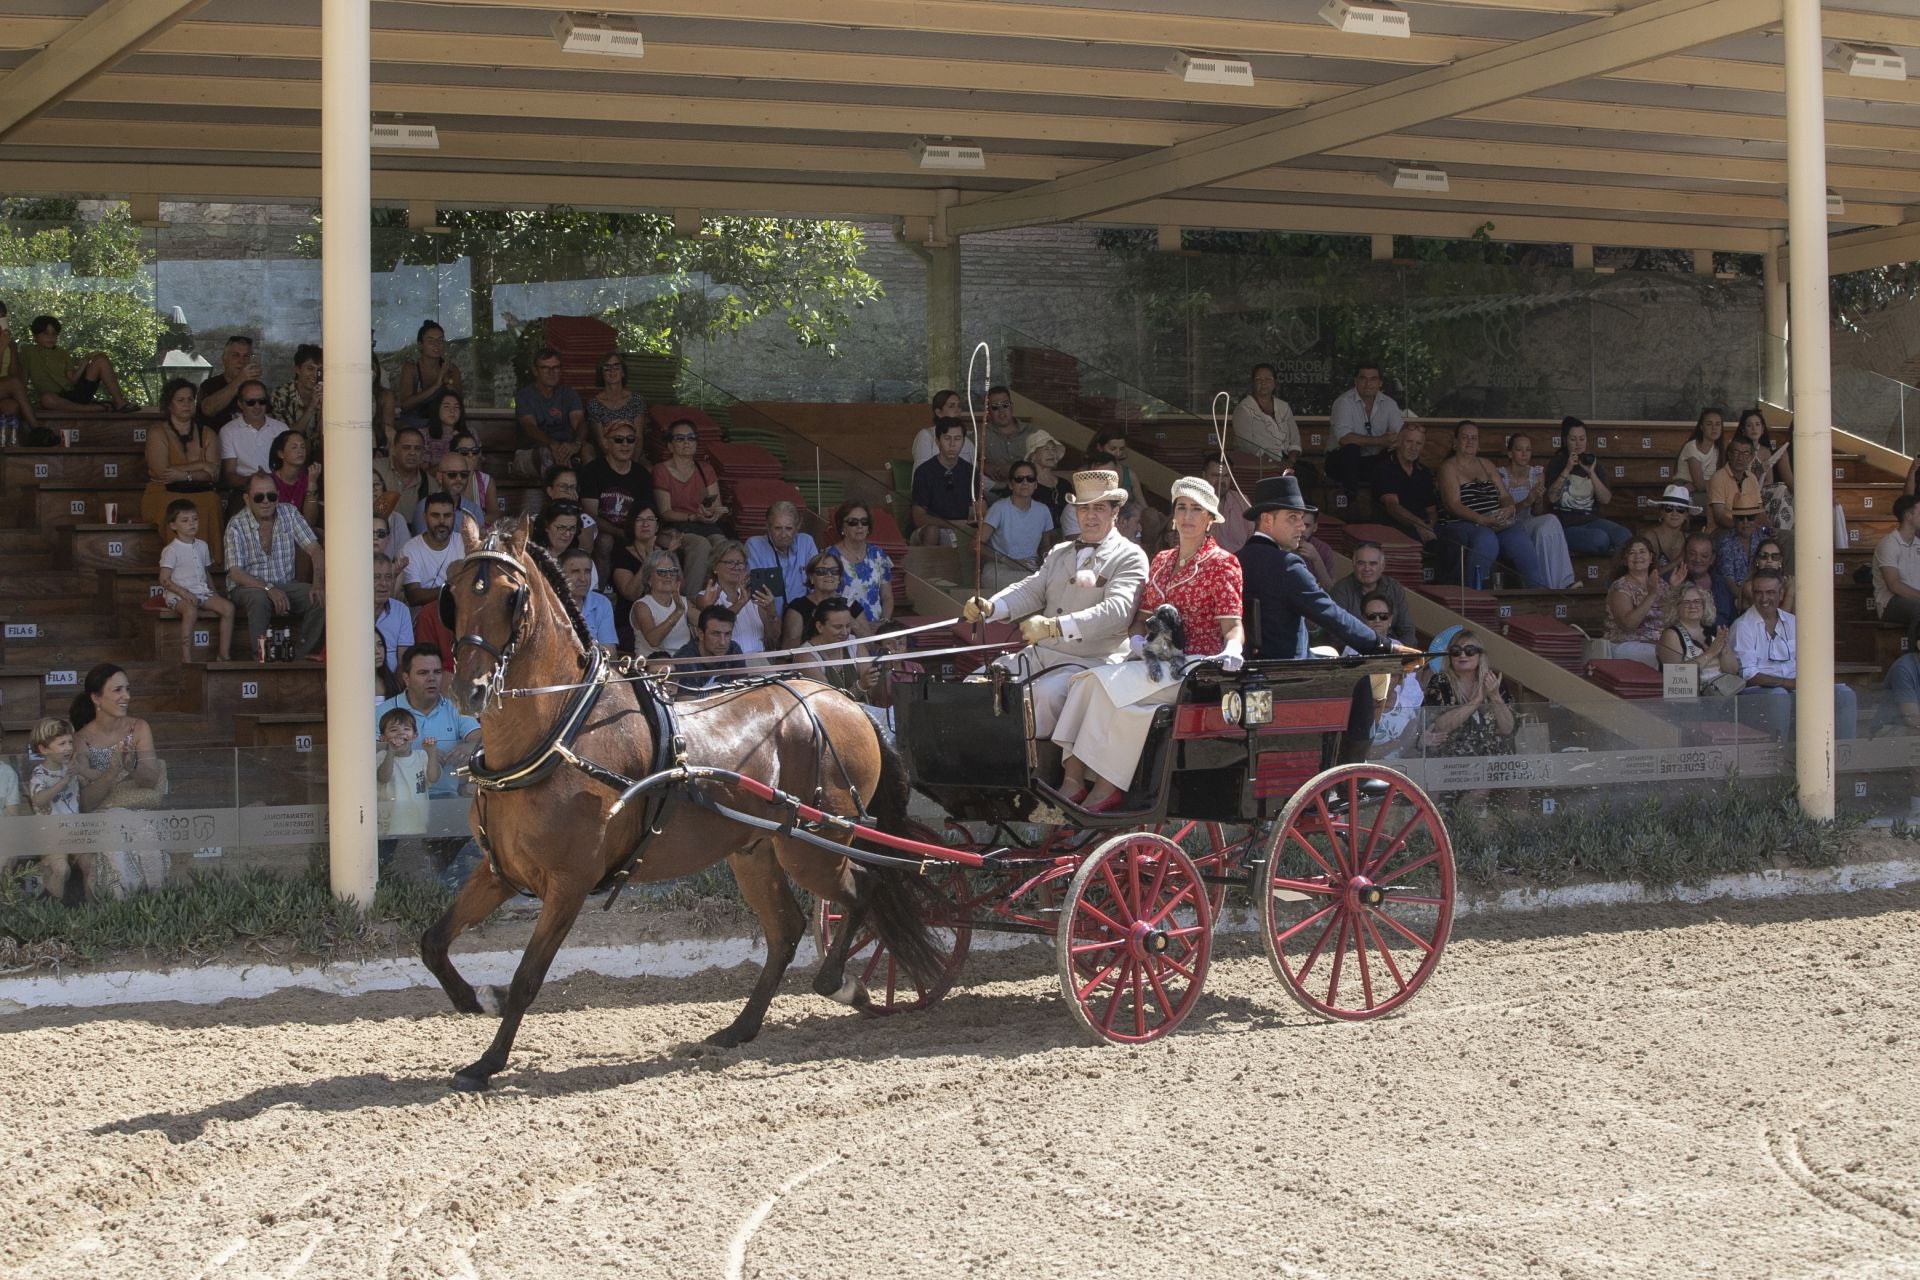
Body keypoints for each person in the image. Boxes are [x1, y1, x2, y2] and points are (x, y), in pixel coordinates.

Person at [1051, 478, 1244, 811]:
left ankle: (1105, 788)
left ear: (1209, 518)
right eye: (1181, 508)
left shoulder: (1222, 562)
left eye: (1196, 510)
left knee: (1100, 683)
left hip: (1195, 667)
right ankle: (1073, 781)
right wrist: (1137, 640)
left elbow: (1234, 627)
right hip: (1153, 660)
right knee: (1083, 684)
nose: (1187, 516)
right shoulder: (1162, 561)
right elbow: (1140, 618)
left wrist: (1232, 650)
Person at [961, 469, 1149, 739]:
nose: (1091, 515)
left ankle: (1033, 772)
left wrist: (1054, 627)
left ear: (1115, 512)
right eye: (1084, 508)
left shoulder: (1130, 556)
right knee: (974, 685)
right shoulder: (1060, 552)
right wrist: (991, 607)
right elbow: (1032, 589)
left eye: (1099, 508)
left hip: (1091, 662)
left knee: (1041, 697)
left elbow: (1117, 613)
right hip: (1040, 656)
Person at [1236, 475, 1400, 663]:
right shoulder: (1287, 564)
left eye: (1302, 519)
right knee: (1362, 682)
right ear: (1266, 520)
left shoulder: (1235, 559)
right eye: (1292, 518)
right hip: (1290, 673)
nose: (1301, 527)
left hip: (1244, 670)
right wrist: (1384, 645)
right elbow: (1331, 615)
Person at [1731, 571, 1858, 741]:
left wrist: (1807, 683)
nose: (1764, 599)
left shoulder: (1793, 622)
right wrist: (1790, 684)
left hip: (1797, 689)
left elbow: (1811, 663)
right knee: (1779, 695)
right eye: (1758, 592)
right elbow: (1748, 675)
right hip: (1760, 694)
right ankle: (1777, 756)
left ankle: (1844, 757)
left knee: (1844, 693)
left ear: (1781, 594)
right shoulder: (1743, 626)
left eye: (1770, 592)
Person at [1435, 420, 1550, 589]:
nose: (1470, 441)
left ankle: (1539, 595)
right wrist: (1480, 519)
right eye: (1465, 437)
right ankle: (1472, 596)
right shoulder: (1448, 467)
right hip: (1463, 523)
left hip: (1492, 521)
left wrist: (1509, 507)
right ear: (1455, 442)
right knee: (1486, 539)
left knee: (1520, 539)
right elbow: (1453, 505)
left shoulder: (1486, 464)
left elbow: (1504, 495)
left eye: (1474, 438)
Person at [224, 473, 326, 657]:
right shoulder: (236, 525)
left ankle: (302, 654)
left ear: (278, 496)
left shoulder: (289, 513)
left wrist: (318, 583)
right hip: (247, 586)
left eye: (271, 496)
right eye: (258, 497)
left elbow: (316, 550)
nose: (266, 501)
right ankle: (260, 654)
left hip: (286, 584)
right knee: (258, 598)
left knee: (320, 597)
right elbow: (236, 573)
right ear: (247, 499)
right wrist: (268, 588)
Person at [377, 645, 481, 804]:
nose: (432, 678)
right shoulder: (384, 711)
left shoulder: (455, 708)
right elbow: (369, 750)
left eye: (437, 672)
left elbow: (481, 739)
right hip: (399, 802)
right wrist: (422, 754)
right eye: (423, 673)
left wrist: (470, 746)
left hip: (448, 801)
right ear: (406, 679)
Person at [140, 376, 223, 546]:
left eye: (190, 399)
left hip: (200, 492)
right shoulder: (158, 432)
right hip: (164, 492)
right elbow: (163, 473)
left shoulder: (207, 433)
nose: (186, 404)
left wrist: (184, 475)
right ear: (169, 404)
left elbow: (213, 474)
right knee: (174, 508)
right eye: (180, 400)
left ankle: (209, 563)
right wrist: (201, 465)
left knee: (211, 501)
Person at [651, 416, 731, 590]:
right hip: (676, 526)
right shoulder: (661, 470)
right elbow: (665, 512)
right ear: (670, 445)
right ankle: (692, 599)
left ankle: (725, 597)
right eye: (680, 438)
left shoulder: (705, 469)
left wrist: (712, 514)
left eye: (691, 437)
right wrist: (693, 516)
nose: (686, 442)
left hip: (705, 525)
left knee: (723, 545)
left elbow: (716, 505)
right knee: (700, 545)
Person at [1494, 432, 1575, 589]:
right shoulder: (1499, 475)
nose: (1525, 454)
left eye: (1528, 450)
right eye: (1519, 449)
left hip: (1528, 522)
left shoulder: (1536, 474)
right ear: (1510, 453)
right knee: (1545, 526)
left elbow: (1538, 512)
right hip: (1508, 526)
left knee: (1550, 521)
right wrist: (1527, 501)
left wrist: (1537, 501)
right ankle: (1544, 585)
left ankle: (1563, 583)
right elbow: (1503, 513)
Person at [157, 499, 235, 662]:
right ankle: (187, 658)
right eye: (185, 521)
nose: (191, 524)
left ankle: (223, 654)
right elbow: (164, 579)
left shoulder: (202, 546)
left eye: (195, 519)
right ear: (173, 525)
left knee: (228, 608)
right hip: (177, 594)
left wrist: (214, 593)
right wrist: (184, 593)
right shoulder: (171, 550)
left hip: (200, 591)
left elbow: (205, 573)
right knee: (190, 611)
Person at [1421, 632, 1516, 757]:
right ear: (1449, 656)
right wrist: (1477, 701)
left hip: (1494, 763)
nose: (1462, 655)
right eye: (1456, 651)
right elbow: (1440, 726)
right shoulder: (1440, 682)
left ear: (1480, 655)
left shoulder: (1494, 680)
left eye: (1470, 650)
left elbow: (1508, 728)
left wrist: (1494, 696)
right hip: (1453, 765)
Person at [1544, 419, 1631, 555]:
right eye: (1573, 439)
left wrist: (1591, 472)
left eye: (1582, 439)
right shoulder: (1557, 463)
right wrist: (1567, 469)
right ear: (1565, 440)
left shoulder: (1593, 463)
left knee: (1625, 536)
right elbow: (1552, 497)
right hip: (1566, 525)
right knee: (1600, 539)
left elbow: (1605, 499)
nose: (1578, 443)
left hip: (1592, 520)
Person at [580, 410, 649, 576]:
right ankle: (601, 593)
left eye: (630, 440)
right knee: (605, 541)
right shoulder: (592, 471)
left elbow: (648, 511)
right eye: (618, 440)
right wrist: (618, 532)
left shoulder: (642, 474)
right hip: (603, 530)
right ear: (606, 443)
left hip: (634, 530)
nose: (625, 444)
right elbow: (590, 515)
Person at [19, 314, 134, 412]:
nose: (50, 337)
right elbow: (23, 377)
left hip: (75, 393)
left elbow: (73, 380)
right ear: (35, 336)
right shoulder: (28, 351)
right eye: (45, 333)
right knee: (46, 399)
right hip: (55, 398)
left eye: (54, 334)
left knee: (100, 359)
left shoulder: (62, 353)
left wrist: (85, 361)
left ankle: (120, 403)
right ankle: (92, 408)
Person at [1357, 592, 1423, 756]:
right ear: (1362, 619)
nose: (1378, 621)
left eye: (1383, 616)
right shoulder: (1351, 651)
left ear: (1391, 619)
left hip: (1400, 721)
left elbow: (1413, 696)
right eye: (1372, 616)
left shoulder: (1400, 649)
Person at [376, 704, 439, 876]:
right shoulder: (381, 757)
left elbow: (433, 778)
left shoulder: (421, 756)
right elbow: (384, 777)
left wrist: (432, 753)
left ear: (414, 736)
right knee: (385, 865)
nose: (400, 734)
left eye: (406, 729)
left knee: (415, 866)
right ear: (383, 737)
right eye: (394, 730)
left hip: (417, 824)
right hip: (389, 826)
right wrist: (390, 751)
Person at [1326, 361, 1405, 496]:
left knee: (1397, 454)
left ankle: (1394, 503)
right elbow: (1345, 439)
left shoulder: (1389, 404)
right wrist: (1381, 440)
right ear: (1356, 381)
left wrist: (1392, 442)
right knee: (1351, 449)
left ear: (1380, 383)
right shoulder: (1343, 402)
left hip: (1373, 461)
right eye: (1363, 379)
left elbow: (1400, 435)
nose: (1368, 384)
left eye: (1373, 379)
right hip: (1342, 462)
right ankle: (1351, 502)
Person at [980, 461, 1056, 590]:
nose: (1025, 483)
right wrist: (1007, 561)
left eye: (1030, 479)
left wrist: (1047, 563)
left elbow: (1045, 545)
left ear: (1036, 484)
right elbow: (977, 545)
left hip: (1030, 568)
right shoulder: (999, 508)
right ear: (1010, 484)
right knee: (1035, 584)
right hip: (999, 568)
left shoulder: (1043, 510)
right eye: (1019, 479)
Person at [693, 539, 775, 655]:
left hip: (758, 661)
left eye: (740, 563)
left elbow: (773, 639)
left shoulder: (754, 598)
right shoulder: (705, 596)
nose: (736, 567)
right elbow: (719, 623)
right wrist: (741, 602)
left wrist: (772, 612)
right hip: (728, 663)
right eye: (730, 562)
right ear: (715, 567)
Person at [826, 500, 895, 633]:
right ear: (842, 526)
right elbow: (828, 597)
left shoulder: (878, 554)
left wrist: (884, 623)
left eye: (864, 522)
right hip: (844, 630)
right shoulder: (830, 556)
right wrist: (859, 628)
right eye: (853, 522)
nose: (860, 526)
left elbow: (887, 596)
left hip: (877, 629)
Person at [911, 418, 981, 546]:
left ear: (964, 442)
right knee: (932, 531)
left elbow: (979, 508)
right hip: (931, 529)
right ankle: (929, 566)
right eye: (947, 438)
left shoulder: (970, 471)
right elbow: (919, 518)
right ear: (938, 441)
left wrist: (973, 519)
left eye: (958, 439)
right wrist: (953, 524)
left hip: (962, 529)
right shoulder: (924, 472)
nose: (952, 444)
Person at [1657, 583, 1739, 692]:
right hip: (1690, 700)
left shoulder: (1714, 631)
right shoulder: (1671, 635)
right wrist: (1710, 653)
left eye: (1697, 601)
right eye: (1686, 602)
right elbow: (1675, 678)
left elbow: (1732, 671)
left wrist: (1724, 649)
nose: (1692, 606)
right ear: (1676, 607)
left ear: (1704, 605)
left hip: (1722, 693)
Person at [794, 597, 880, 702]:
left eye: (848, 626)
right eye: (838, 627)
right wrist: (860, 686)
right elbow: (829, 703)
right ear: (820, 627)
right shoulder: (805, 656)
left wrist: (886, 671)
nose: (845, 632)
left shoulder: (854, 644)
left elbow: (874, 694)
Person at [1330, 541, 1416, 645]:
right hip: (1355, 654)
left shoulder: (1394, 588)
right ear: (1353, 564)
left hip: (1393, 652)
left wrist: (1402, 654)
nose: (1367, 569)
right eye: (1361, 563)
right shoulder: (1340, 591)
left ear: (1382, 566)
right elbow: (1335, 634)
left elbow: (1407, 629)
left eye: (1373, 563)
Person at [514, 345, 585, 472]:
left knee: (588, 450)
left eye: (555, 368)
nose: (551, 372)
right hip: (531, 452)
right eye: (545, 368)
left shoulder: (569, 394)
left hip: (565, 449)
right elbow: (530, 427)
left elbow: (579, 423)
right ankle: (559, 487)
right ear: (535, 371)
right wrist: (552, 444)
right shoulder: (524, 395)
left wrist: (576, 444)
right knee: (546, 454)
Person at [1369, 421, 1438, 545]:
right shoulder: (1384, 468)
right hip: (1393, 527)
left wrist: (1429, 527)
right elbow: (1392, 506)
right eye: (1409, 442)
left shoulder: (1424, 472)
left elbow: (1431, 510)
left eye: (1418, 443)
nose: (1413, 448)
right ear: (1399, 442)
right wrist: (1420, 525)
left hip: (1423, 527)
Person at [1604, 536, 1667, 668]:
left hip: (1661, 643)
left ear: (1651, 557)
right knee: (1667, 657)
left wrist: (1675, 589)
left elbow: (1672, 618)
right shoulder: (1620, 587)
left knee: (1692, 653)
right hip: (1627, 645)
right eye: (1632, 553)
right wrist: (1651, 595)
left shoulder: (1661, 584)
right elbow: (1628, 624)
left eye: (1642, 551)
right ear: (1625, 560)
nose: (1637, 556)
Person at [745, 500, 819, 610]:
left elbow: (816, 584)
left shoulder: (806, 542)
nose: (783, 535)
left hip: (801, 614)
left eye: (788, 528)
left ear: (798, 526)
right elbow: (757, 591)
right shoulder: (755, 545)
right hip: (767, 614)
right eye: (777, 528)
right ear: (768, 526)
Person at [217, 379, 289, 492]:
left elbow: (291, 466)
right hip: (244, 490)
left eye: (262, 401)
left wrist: (271, 480)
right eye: (251, 402)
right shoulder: (228, 431)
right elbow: (229, 475)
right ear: (240, 404)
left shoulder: (281, 429)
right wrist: (253, 480)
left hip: (279, 488)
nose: (257, 406)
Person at [780, 552, 860, 651]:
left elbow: (869, 643)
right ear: (811, 578)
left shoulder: (850, 602)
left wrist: (846, 617)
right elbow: (790, 651)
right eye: (821, 571)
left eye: (835, 571)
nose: (829, 575)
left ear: (839, 578)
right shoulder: (798, 607)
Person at [399, 493, 467, 606]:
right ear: (424, 517)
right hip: (423, 616)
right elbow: (413, 596)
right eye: (435, 515)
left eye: (447, 515)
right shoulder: (410, 549)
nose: (442, 521)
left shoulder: (465, 544)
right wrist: (450, 588)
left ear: (454, 517)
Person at [1231, 362, 1301, 472]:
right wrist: (1274, 463)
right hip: (1259, 465)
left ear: (1275, 383)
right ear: (1253, 383)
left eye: (1268, 379)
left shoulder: (1284, 406)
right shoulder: (1243, 409)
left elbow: (1295, 439)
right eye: (1258, 379)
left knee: (1308, 475)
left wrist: (1291, 461)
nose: (1263, 383)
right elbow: (1246, 445)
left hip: (1287, 461)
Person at [395, 321, 464, 429]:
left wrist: (448, 383)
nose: (436, 344)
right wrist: (436, 385)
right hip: (415, 425)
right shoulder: (411, 368)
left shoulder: (451, 369)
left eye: (440, 340)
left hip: (443, 426)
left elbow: (459, 402)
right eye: (430, 340)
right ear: (420, 345)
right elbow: (405, 404)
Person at [671, 605, 746, 693]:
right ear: (701, 634)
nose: (723, 642)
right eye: (716, 634)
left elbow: (743, 689)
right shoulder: (685, 659)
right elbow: (686, 702)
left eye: (727, 634)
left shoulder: (733, 649)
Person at [585, 351, 648, 456]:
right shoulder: (594, 404)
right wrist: (617, 464)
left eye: (616, 367)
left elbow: (638, 437)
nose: (612, 371)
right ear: (601, 373)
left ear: (623, 372)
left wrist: (632, 466)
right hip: (606, 457)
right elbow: (601, 441)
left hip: (632, 455)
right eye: (607, 368)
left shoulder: (636, 400)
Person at [1712, 501, 1769, 616]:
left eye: (1750, 518)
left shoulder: (1762, 539)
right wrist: (1748, 596)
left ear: (1756, 519)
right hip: (1734, 598)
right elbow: (1729, 583)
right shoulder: (1725, 542)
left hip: (1760, 593)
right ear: (1734, 519)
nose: (1746, 522)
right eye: (1741, 518)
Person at [631, 548, 692, 656]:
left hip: (683, 664)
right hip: (653, 667)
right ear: (649, 579)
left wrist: (706, 606)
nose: (668, 576)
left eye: (673, 571)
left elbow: (706, 623)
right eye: (661, 572)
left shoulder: (684, 601)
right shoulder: (642, 606)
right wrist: (678, 612)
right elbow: (653, 640)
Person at [0, 299, 45, 437]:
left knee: (11, 406)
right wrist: (1, 347)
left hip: (4, 390)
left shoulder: (8, 342)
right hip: (6, 386)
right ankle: (37, 429)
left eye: (1, 316)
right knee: (13, 383)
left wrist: (11, 349)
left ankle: (12, 448)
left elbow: (14, 374)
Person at [559, 547, 619, 649]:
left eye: (587, 571)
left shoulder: (602, 603)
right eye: (575, 571)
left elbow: (610, 652)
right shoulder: (550, 602)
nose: (583, 578)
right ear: (560, 574)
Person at [195, 335, 259, 430]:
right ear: (224, 358)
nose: (241, 361)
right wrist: (240, 380)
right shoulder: (210, 385)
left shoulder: (256, 389)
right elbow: (207, 410)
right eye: (235, 355)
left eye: (246, 356)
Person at [1874, 494, 1920, 627]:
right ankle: (1914, 648)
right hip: (1890, 602)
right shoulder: (1889, 544)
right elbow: (1894, 585)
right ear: (1908, 516)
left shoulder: (1918, 543)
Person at [373, 425, 431, 528]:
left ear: (423, 453)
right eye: (406, 447)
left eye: (417, 448)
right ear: (393, 450)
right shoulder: (374, 470)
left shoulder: (430, 484)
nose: (412, 453)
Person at [977, 385, 1029, 495]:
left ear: (1012, 407)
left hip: (1031, 491)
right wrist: (984, 466)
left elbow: (1051, 461)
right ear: (988, 411)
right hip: (996, 494)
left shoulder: (1032, 432)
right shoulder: (979, 435)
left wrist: (1015, 469)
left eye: (1005, 405)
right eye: (995, 407)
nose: (1001, 411)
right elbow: (963, 461)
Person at [1706, 436, 1762, 533]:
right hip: (1723, 531)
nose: (1740, 458)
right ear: (1730, 455)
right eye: (1736, 452)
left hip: (1748, 531)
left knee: (1787, 537)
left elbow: (1760, 512)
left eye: (1745, 453)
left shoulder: (1752, 478)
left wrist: (1769, 528)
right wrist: (1742, 529)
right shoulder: (1718, 477)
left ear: (1751, 457)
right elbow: (1719, 516)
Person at [1200, 454, 1254, 553]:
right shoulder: (1193, 502)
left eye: (1226, 476)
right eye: (1215, 475)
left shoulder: (1242, 500)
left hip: (1237, 563)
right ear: (1204, 476)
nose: (1221, 481)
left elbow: (1252, 538)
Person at [910, 389, 975, 469]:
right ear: (939, 412)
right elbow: (922, 471)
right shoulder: (926, 436)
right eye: (951, 406)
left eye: (958, 406)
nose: (958, 410)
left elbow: (973, 472)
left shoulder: (967, 441)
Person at [268, 430, 322, 525]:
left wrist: (312, 483)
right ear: (281, 454)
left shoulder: (307, 479)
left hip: (301, 534)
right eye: (294, 447)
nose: (300, 451)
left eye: (303, 447)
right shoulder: (269, 481)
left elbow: (310, 522)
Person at [270, 343, 324, 437]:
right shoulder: (281, 395)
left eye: (320, 370)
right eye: (310, 368)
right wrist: (312, 406)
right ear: (298, 369)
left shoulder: (329, 394)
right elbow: (285, 438)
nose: (315, 374)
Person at [373, 551, 414, 672]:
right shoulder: (350, 610)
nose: (383, 583)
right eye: (376, 577)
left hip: (392, 682)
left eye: (388, 577)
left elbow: (404, 660)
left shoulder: (401, 611)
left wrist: (395, 687)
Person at [1645, 483, 1699, 569]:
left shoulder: (1688, 539)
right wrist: (1678, 560)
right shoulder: (1651, 537)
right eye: (1669, 508)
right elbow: (1649, 575)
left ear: (1686, 515)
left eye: (1680, 509)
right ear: (1662, 512)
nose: (1674, 513)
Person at [415, 386, 465, 471]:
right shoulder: (424, 435)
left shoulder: (470, 433)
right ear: (436, 409)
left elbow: (476, 465)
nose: (452, 411)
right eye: (446, 406)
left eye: (456, 407)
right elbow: (424, 472)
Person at [1026, 431, 1069, 527]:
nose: (1051, 453)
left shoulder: (1064, 484)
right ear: (1033, 456)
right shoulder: (1025, 485)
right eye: (1046, 449)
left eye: (1053, 449)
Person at [1742, 538, 1796, 614]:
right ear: (1757, 560)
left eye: (1775, 557)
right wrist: (1790, 593)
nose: (1769, 560)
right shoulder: (1750, 587)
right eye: (1764, 556)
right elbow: (1776, 622)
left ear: (1780, 561)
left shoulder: (1788, 582)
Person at [1677, 407, 1724, 493]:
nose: (1714, 428)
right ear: (1702, 427)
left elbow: (1713, 481)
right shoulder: (1691, 447)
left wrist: (1715, 484)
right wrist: (1715, 484)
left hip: (1705, 491)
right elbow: (1700, 485)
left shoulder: (1716, 451)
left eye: (1718, 424)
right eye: (1709, 424)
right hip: (1684, 491)